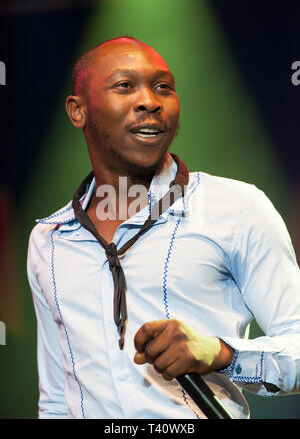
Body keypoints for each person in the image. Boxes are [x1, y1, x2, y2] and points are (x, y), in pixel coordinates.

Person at [27, 36, 300, 419]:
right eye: (125, 86)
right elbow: (57, 397)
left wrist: (222, 354)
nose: (150, 101)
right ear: (78, 111)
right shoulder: (49, 240)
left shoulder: (238, 209)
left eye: (163, 88)